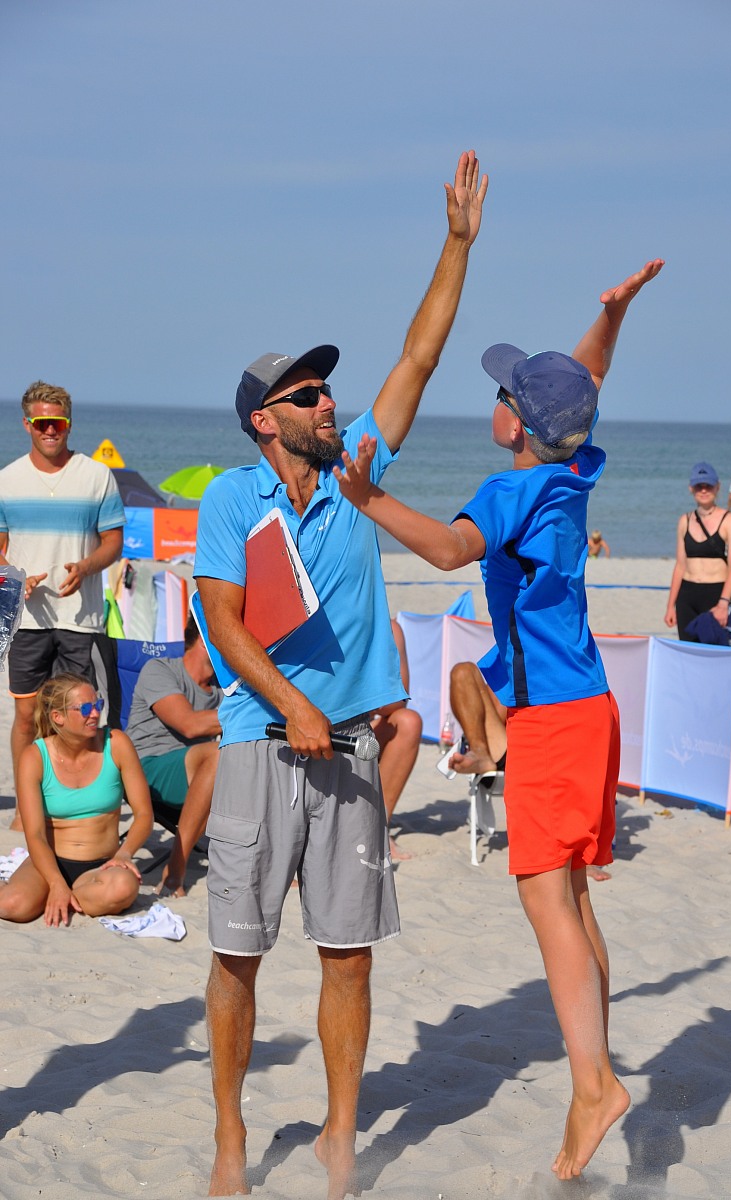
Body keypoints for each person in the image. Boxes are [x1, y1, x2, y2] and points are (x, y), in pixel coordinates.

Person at [193, 150, 487, 1198]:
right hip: (257, 748)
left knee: (348, 956)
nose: (329, 402)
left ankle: (339, 1138)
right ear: (263, 418)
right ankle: (232, 1140)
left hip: (352, 749)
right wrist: (291, 703)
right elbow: (223, 623)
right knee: (237, 955)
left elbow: (419, 356)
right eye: (306, 393)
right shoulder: (231, 500)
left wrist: (454, 245)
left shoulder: (357, 466)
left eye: (326, 389)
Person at [335, 258, 664, 1180]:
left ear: (517, 425)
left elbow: (448, 552)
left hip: (554, 717)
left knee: (543, 896)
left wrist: (366, 498)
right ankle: (594, 1073)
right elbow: (584, 385)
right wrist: (612, 317)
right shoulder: (574, 469)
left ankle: (593, 1086)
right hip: (589, 706)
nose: (495, 397)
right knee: (575, 896)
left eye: (503, 393)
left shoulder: (511, 491)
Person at [0, 381, 125, 830]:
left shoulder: (97, 476)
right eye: (41, 423)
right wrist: (15, 576)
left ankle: (80, 802)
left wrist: (87, 566)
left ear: (69, 424)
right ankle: (25, 805)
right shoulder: (7, 480)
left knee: (81, 714)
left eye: (57, 422)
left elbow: (113, 541)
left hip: (81, 619)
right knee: (26, 716)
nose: (50, 430)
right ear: (27, 425)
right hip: (26, 619)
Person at [0, 674, 152, 926]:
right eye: (84, 708)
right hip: (50, 862)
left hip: (103, 865)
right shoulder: (35, 757)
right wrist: (55, 881)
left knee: (123, 888)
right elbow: (35, 834)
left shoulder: (116, 744)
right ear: (58, 716)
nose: (95, 714)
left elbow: (144, 815)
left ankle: (62, 897)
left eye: (98, 705)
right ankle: (58, 893)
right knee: (11, 905)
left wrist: (125, 854)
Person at [447, 661, 612, 881]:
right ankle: (479, 752)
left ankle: (579, 861)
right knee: (464, 671)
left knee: (479, 675)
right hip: (512, 752)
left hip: (528, 754)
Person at [125, 614, 222, 896]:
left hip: (197, 773)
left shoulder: (221, 689)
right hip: (146, 768)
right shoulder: (160, 669)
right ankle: (176, 866)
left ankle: (271, 865)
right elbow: (189, 725)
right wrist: (249, 714)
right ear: (204, 639)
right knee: (220, 755)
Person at [664, 462, 731, 640]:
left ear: (718, 487)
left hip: (715, 594)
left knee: (714, 648)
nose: (704, 490)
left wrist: (724, 602)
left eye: (709, 485)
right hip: (687, 596)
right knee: (687, 649)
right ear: (691, 488)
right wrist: (670, 606)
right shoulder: (685, 520)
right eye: (699, 486)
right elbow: (680, 566)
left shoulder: (729, 520)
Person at [370, 619, 422, 862]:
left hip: (364, 722)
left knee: (408, 722)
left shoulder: (389, 627)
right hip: (321, 723)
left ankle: (377, 827)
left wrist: (366, 704)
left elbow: (399, 699)